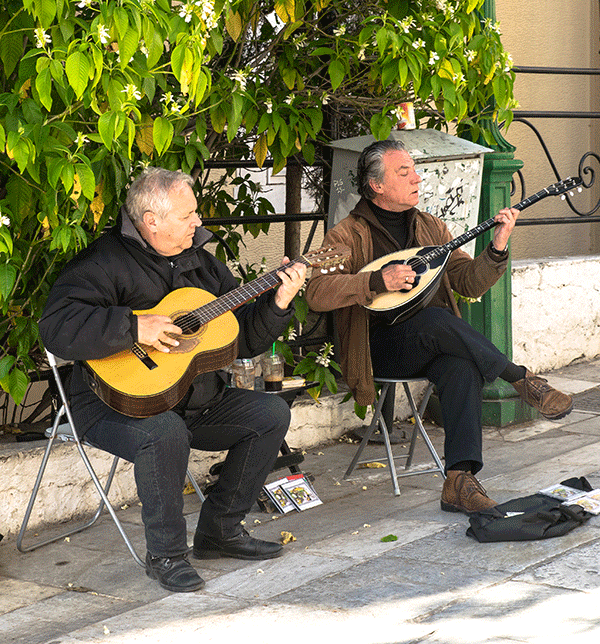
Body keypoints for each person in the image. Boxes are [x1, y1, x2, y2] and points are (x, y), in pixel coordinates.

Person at [39, 167, 306, 593]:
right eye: (188, 215)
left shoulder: (200, 262)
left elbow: (242, 339)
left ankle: (220, 530)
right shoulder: (102, 262)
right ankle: (165, 554)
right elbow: (56, 328)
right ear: (151, 221)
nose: (197, 223)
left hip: (192, 397)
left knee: (270, 412)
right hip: (111, 404)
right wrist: (133, 326)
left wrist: (280, 300)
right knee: (164, 433)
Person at [306, 139, 573, 515]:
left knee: (460, 366)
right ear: (377, 185)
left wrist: (497, 247)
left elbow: (467, 282)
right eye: (405, 172)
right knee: (435, 320)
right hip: (379, 348)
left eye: (415, 169)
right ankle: (518, 378)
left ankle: (459, 482)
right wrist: (376, 282)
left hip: (432, 340)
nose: (417, 177)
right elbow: (316, 292)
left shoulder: (431, 227)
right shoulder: (348, 234)